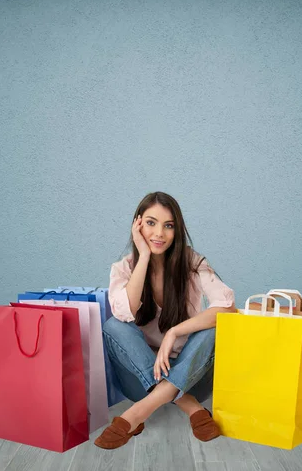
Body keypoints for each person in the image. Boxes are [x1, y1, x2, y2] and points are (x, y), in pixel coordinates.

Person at [95, 192, 236, 450]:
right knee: (114, 325)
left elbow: (227, 308)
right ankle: (190, 405)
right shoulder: (123, 268)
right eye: (151, 223)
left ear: (177, 229)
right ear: (137, 226)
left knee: (212, 329)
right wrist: (144, 256)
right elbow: (124, 313)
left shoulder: (193, 263)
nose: (159, 233)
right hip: (139, 379)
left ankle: (137, 414)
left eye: (168, 225)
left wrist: (174, 332)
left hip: (191, 373)